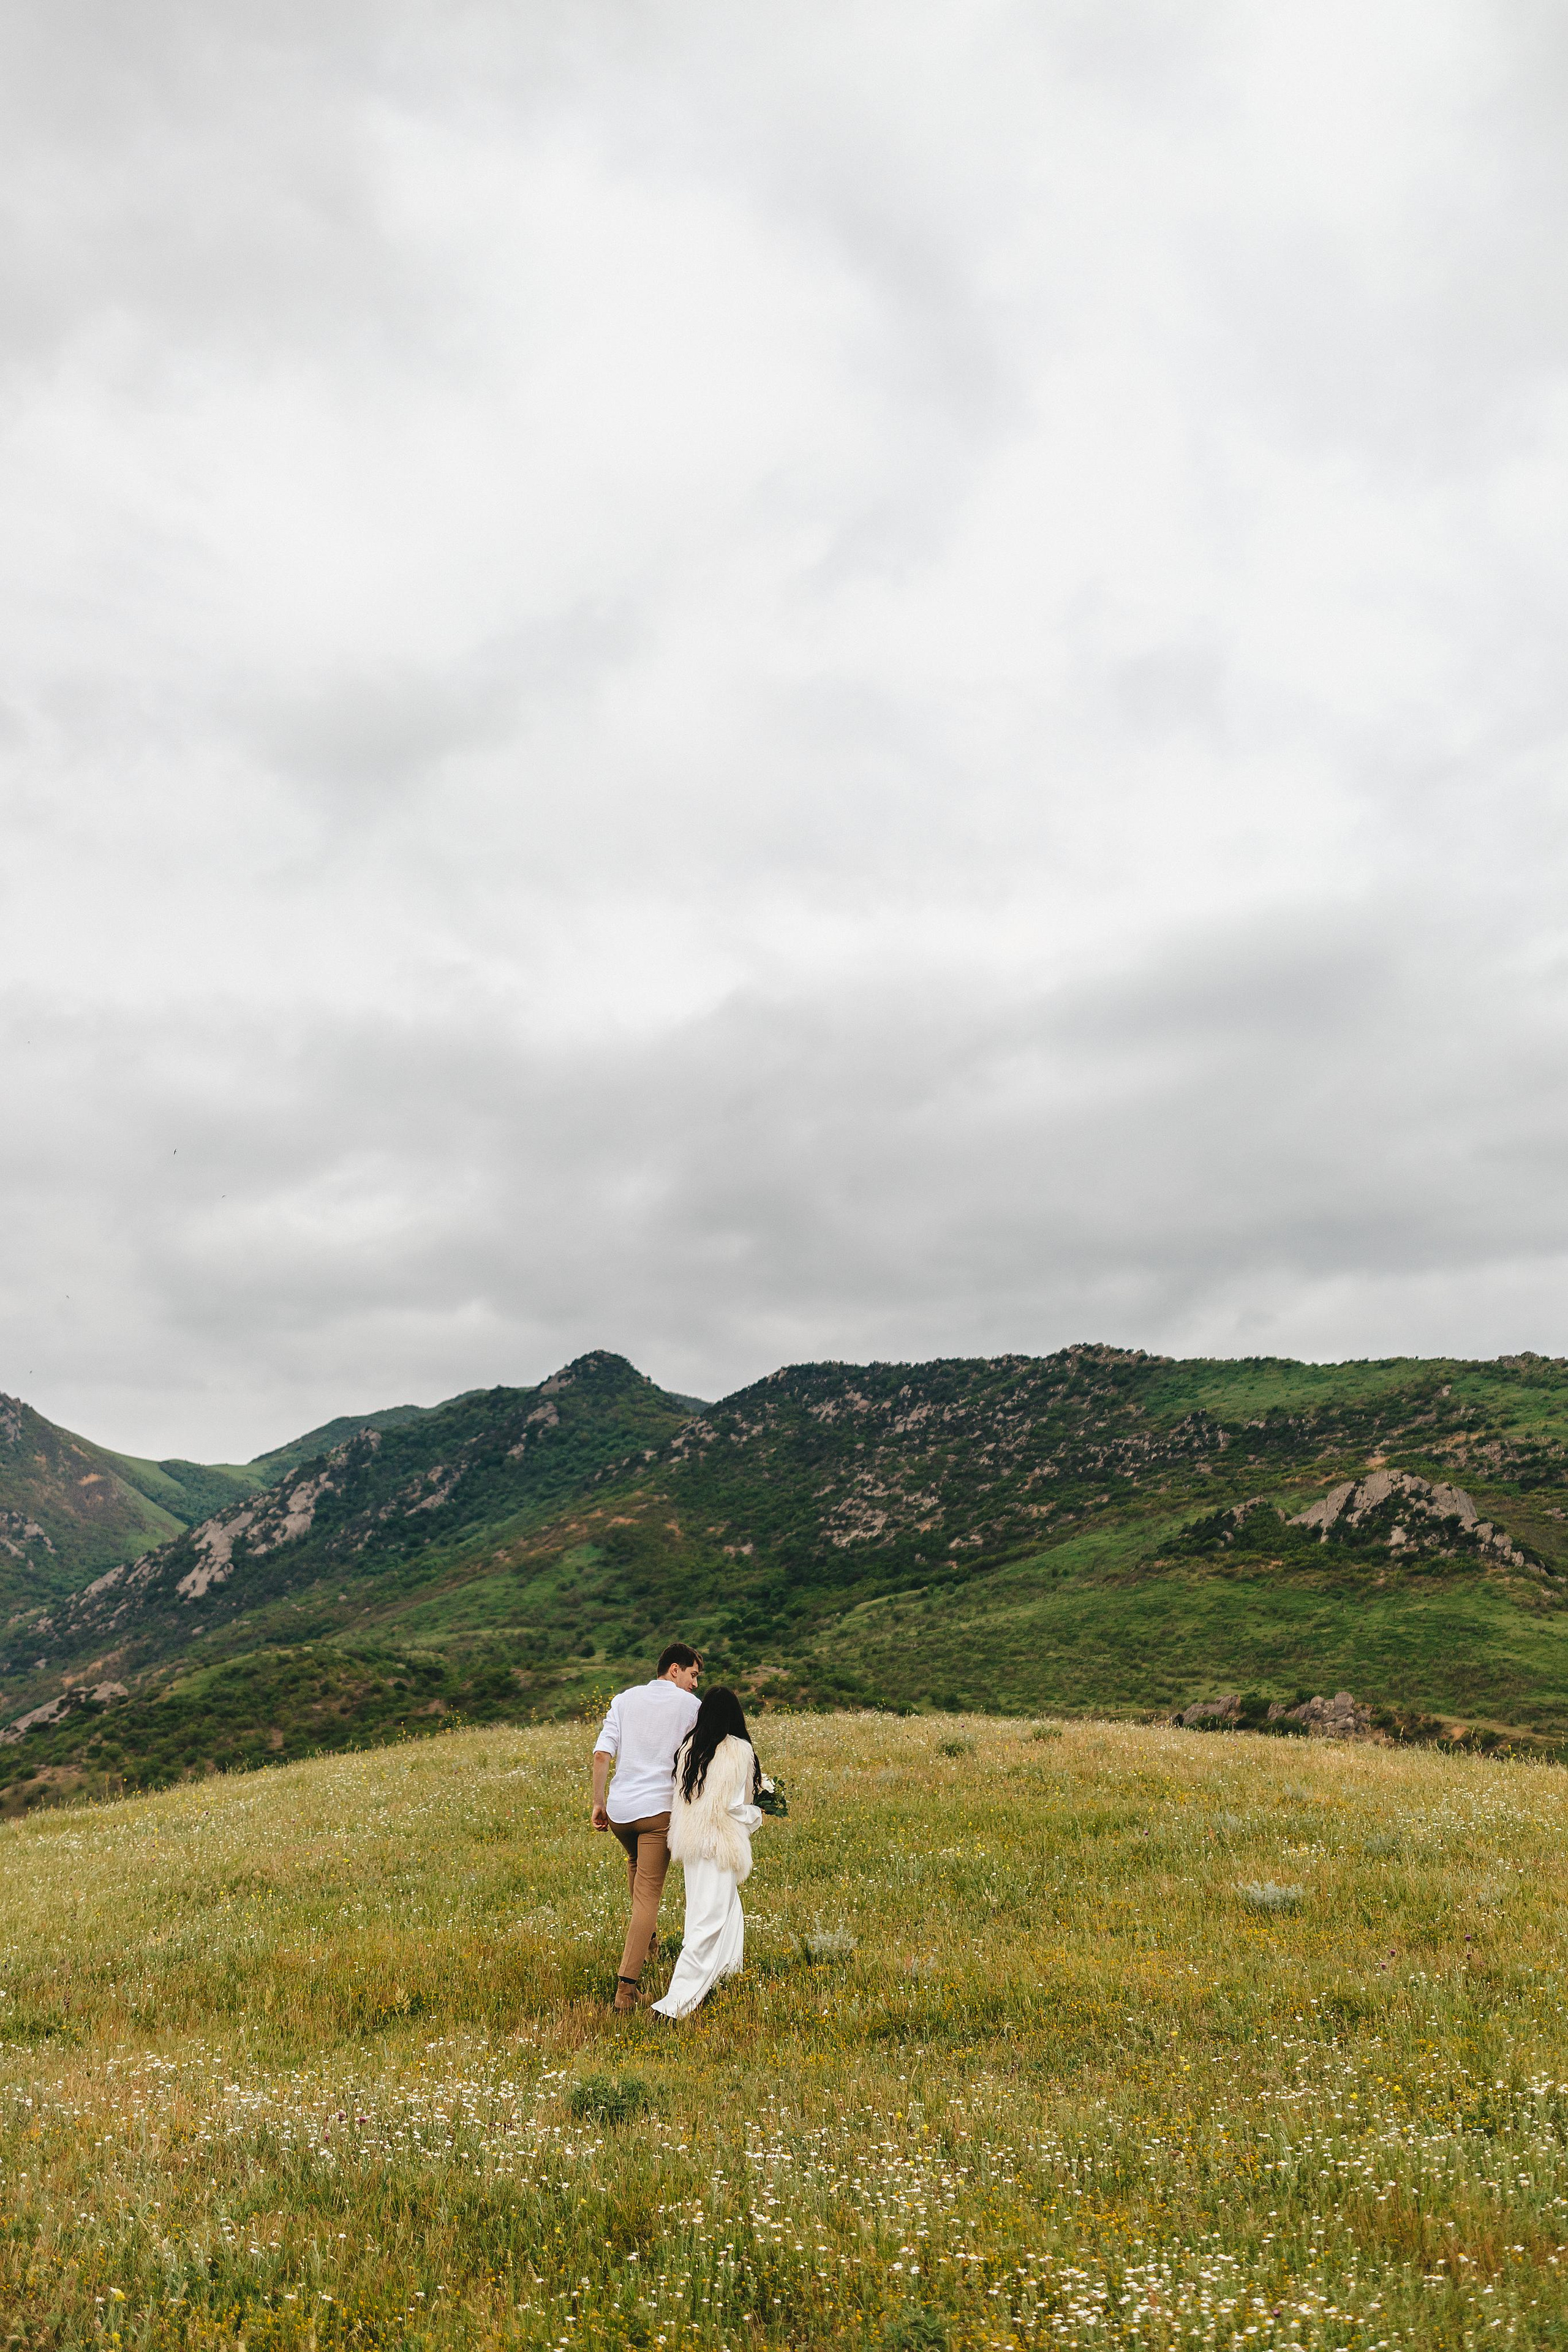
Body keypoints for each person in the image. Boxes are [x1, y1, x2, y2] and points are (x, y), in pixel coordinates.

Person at [590, 1643, 702, 2013]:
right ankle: (626, 1990)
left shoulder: (624, 1700)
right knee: (648, 1898)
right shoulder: (690, 1707)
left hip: (621, 1813)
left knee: (638, 1871)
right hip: (658, 1812)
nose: (695, 1684)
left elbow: (602, 1753)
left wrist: (599, 1802)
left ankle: (650, 1945)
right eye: (693, 1675)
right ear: (674, 1669)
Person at [652, 1686, 764, 2021]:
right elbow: (735, 1806)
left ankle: (727, 1975)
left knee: (720, 1910)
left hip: (693, 1843)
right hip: (720, 1843)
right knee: (708, 1923)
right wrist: (758, 1812)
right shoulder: (739, 1751)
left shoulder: (690, 1748)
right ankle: (675, 2004)